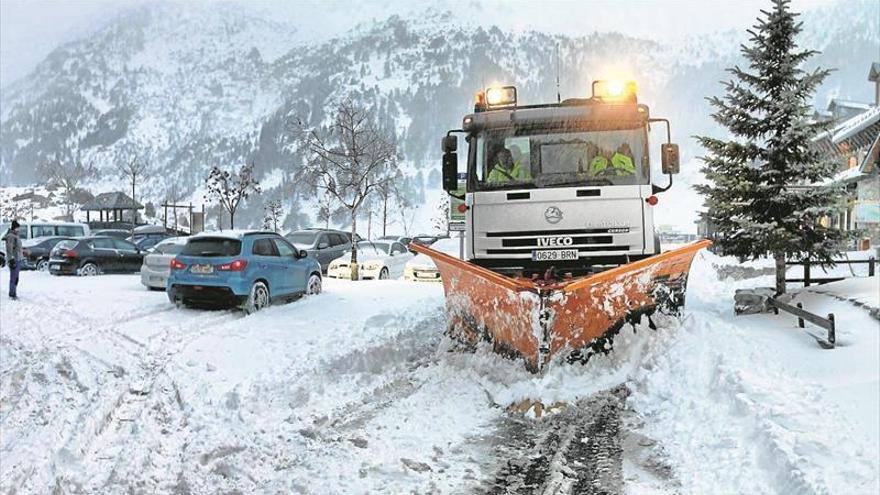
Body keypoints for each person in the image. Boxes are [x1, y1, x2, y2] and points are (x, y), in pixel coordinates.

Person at [3, 220, 22, 299]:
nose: (19, 229)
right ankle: (12, 294)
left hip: (18, 258)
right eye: (18, 228)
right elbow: (9, 249)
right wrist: (11, 259)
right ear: (15, 228)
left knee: (16, 277)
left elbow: (17, 247)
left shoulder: (16, 235)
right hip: (14, 259)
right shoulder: (11, 236)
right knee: (14, 277)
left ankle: (14, 292)